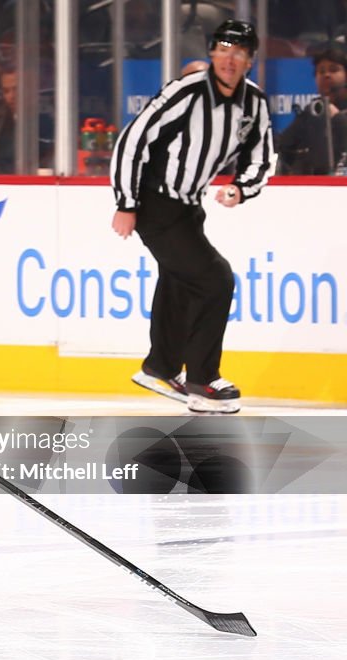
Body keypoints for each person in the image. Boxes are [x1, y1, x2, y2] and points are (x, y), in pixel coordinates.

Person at [110, 20, 274, 414]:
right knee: (215, 278)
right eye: (222, 48)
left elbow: (262, 156)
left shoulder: (254, 103)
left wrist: (240, 187)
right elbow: (134, 139)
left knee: (180, 281)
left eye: (239, 51)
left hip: (187, 207)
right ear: (211, 53)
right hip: (154, 202)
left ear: (250, 60)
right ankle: (202, 379)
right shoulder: (186, 92)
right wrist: (126, 202)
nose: (229, 58)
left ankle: (159, 368)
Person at [276, 46, 347, 175]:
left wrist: (337, 118)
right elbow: (282, 145)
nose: (326, 75)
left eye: (333, 70)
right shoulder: (313, 112)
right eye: (321, 71)